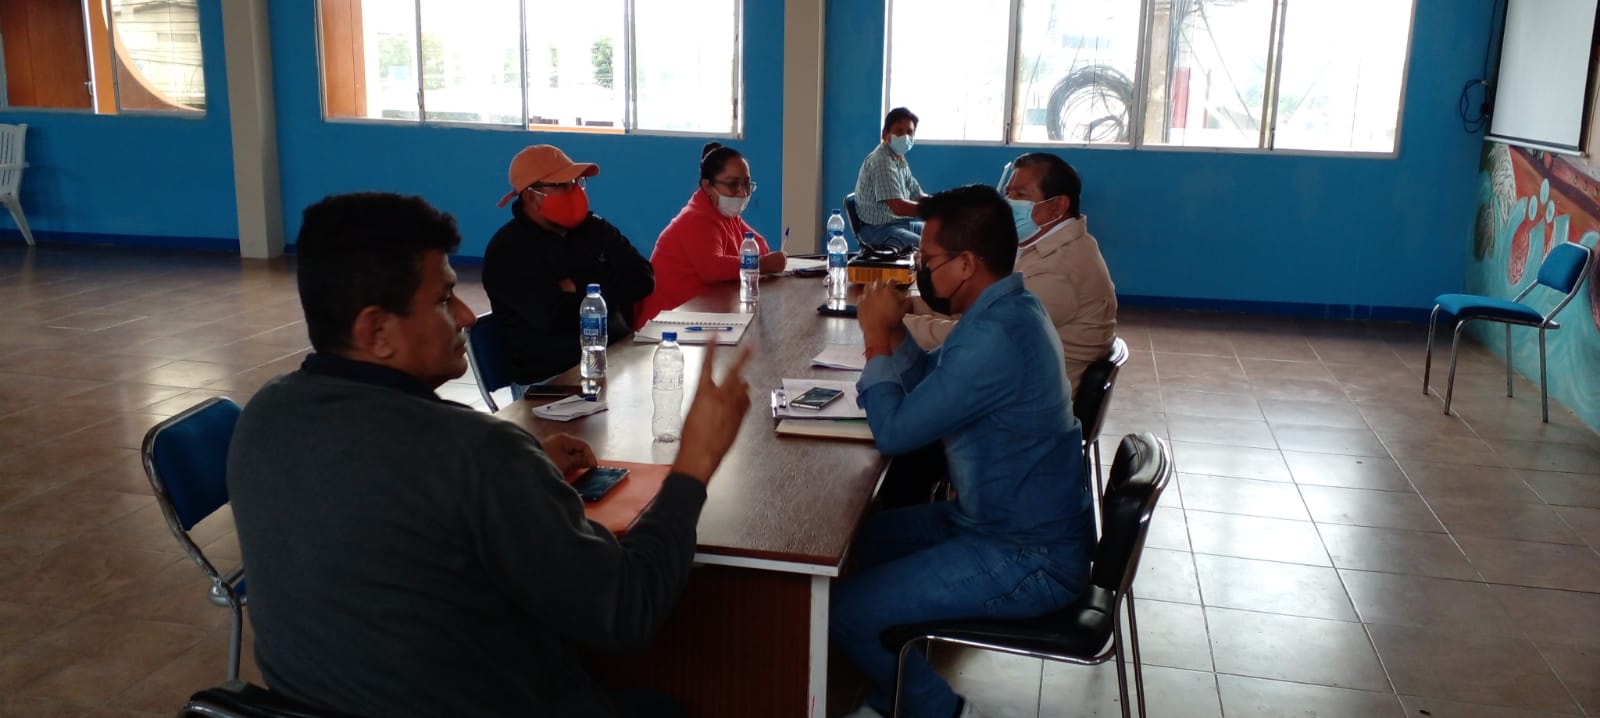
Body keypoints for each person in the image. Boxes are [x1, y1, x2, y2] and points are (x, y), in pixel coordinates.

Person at [227, 192, 753, 718]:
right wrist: (694, 464)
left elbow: (380, 488)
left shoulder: (263, 417)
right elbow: (627, 610)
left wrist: (523, 470)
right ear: (377, 331)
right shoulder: (476, 453)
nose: (466, 316)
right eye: (443, 300)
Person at [832, 185, 1094, 718]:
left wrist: (876, 341)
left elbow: (896, 433)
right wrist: (898, 334)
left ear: (967, 263)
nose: (921, 270)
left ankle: (940, 710)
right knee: (861, 542)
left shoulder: (996, 336)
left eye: (928, 261)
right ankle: (891, 689)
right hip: (993, 522)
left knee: (844, 611)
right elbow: (933, 383)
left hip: (1029, 555)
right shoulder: (1009, 310)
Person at [903, 152, 1116, 391]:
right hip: (1013, 373)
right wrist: (910, 305)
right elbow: (978, 309)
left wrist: (895, 323)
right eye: (1008, 193)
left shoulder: (1062, 270)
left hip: (1026, 396)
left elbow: (976, 336)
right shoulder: (1040, 248)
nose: (1008, 202)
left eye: (1020, 195)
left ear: (1058, 206)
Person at [483, 144, 655, 394]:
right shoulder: (509, 250)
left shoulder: (596, 229)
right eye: (561, 185)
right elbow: (554, 318)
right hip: (553, 380)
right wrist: (607, 287)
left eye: (576, 182)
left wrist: (578, 285)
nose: (573, 191)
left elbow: (643, 280)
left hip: (617, 359)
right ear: (531, 196)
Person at [637, 142, 786, 324]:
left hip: (699, 314)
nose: (742, 193)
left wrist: (760, 261)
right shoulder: (697, 218)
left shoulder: (726, 214)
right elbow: (712, 268)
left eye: (747, 184)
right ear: (707, 186)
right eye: (733, 184)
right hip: (666, 323)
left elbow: (759, 246)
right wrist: (761, 264)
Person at [853, 107, 928, 251]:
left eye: (910, 132)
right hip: (878, 230)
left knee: (942, 236)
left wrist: (943, 204)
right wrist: (932, 210)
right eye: (899, 131)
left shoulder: (899, 159)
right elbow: (898, 207)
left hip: (901, 223)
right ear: (885, 134)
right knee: (928, 247)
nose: (905, 137)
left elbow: (917, 195)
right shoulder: (882, 160)